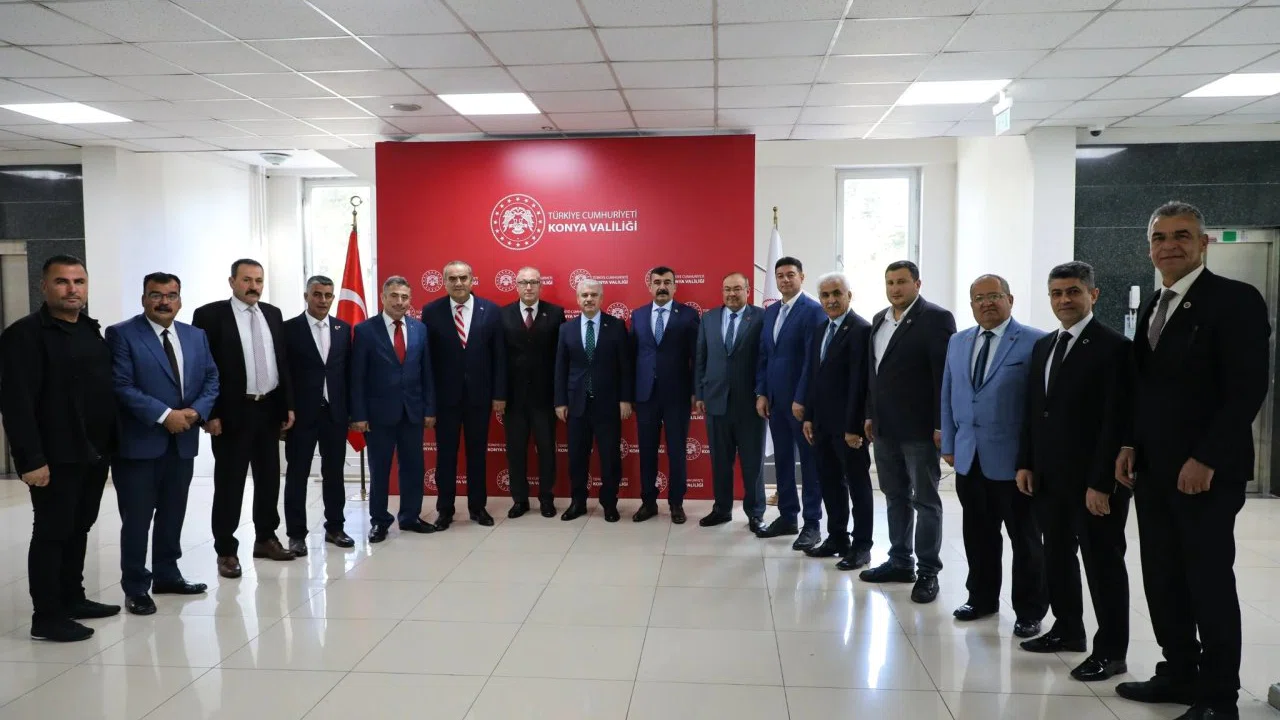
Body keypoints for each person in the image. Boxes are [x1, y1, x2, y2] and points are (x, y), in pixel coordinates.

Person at [1114, 201, 1271, 720]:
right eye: (1160, 238)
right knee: (1162, 577)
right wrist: (1129, 444)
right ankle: (1179, 672)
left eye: (1182, 235)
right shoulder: (1154, 305)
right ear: (1150, 249)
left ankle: (1218, 697)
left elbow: (1246, 389)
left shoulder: (1235, 300)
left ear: (1203, 243)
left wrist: (1206, 457)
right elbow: (1145, 389)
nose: (1170, 245)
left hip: (1206, 473)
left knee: (1207, 582)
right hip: (1154, 470)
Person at [1015, 261, 1132, 682]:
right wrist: (1026, 462)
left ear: (1093, 294)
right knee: (1057, 556)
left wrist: (1101, 483)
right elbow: (1035, 411)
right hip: (1049, 478)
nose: (1064, 300)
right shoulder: (1045, 345)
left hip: (1093, 482)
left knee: (1102, 564)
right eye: (1057, 293)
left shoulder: (1114, 347)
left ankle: (1111, 651)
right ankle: (1067, 629)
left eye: (1073, 291)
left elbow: (1116, 421)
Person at [0, 255, 120, 642]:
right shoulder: (24, 335)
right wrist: (30, 460)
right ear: (44, 286)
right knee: (52, 532)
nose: (72, 289)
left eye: (78, 282)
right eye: (62, 281)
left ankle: (72, 598)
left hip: (93, 452)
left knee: (79, 526)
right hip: (54, 456)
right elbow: (16, 403)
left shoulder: (89, 329)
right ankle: (47, 616)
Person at [940, 274, 1047, 640]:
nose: (986, 303)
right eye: (979, 298)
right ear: (971, 304)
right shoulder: (958, 341)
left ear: (1010, 300)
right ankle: (981, 598)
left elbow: (1039, 407)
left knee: (1025, 539)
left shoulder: (1035, 341)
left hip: (1015, 463)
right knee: (978, 534)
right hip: (970, 457)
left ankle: (1029, 610)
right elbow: (949, 393)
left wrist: (1031, 458)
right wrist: (949, 443)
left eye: (994, 296)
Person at [107, 272, 220, 615]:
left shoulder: (195, 335)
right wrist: (164, 415)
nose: (164, 302)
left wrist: (196, 412)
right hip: (139, 444)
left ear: (180, 300)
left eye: (171, 295)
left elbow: (212, 378)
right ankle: (136, 587)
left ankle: (168, 575)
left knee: (173, 513)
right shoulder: (122, 334)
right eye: (156, 295)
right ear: (144, 299)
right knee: (137, 519)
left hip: (182, 442)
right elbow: (121, 385)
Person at [192, 259, 296, 578]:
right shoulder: (210, 316)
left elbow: (281, 362)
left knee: (269, 479)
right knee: (230, 483)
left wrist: (287, 406)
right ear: (232, 281)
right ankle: (226, 550)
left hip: (268, 409)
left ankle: (265, 538)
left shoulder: (273, 314)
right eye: (247, 280)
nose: (254, 286)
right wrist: (209, 414)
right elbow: (201, 368)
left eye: (258, 280)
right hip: (231, 413)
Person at [859, 260, 955, 605]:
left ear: (917, 283)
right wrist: (869, 414)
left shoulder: (936, 318)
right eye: (890, 282)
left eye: (901, 282)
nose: (895, 288)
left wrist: (942, 424)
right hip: (884, 427)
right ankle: (900, 561)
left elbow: (943, 375)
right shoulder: (879, 320)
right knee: (894, 494)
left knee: (925, 501)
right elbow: (874, 372)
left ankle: (928, 571)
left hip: (919, 430)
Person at [350, 276, 437, 543]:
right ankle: (379, 521)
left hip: (412, 411)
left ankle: (410, 517)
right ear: (383, 298)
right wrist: (359, 415)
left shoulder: (419, 329)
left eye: (404, 297)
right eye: (394, 296)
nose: (400, 302)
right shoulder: (365, 330)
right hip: (378, 415)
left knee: (413, 467)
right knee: (380, 470)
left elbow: (427, 372)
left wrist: (429, 409)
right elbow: (357, 376)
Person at [421, 261, 507, 529]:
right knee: (446, 455)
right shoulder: (431, 311)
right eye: (452, 278)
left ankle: (477, 508)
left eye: (463, 278)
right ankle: (445, 509)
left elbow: (499, 356)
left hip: (479, 398)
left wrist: (499, 394)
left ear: (472, 280)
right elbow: (427, 361)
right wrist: (429, 401)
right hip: (445, 400)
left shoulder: (490, 310)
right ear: (444, 281)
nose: (458, 283)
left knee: (477, 454)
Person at [799, 273, 874, 570]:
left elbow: (860, 382)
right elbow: (814, 377)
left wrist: (853, 427)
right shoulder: (820, 329)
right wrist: (809, 416)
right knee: (830, 483)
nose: (831, 300)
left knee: (858, 486)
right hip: (822, 425)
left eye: (836, 293)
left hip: (849, 429)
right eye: (825, 295)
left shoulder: (861, 330)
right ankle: (837, 538)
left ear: (849, 295)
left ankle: (862, 545)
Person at [754, 257, 826, 549]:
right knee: (782, 460)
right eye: (780, 275)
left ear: (802, 277)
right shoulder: (771, 311)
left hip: (800, 404)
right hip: (775, 402)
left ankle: (812, 524)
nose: (785, 280)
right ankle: (787, 516)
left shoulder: (813, 311)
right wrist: (761, 392)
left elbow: (812, 360)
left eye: (790, 275)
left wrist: (801, 398)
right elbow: (764, 355)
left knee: (809, 464)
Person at [282, 276, 354, 553]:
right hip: (301, 415)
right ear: (306, 296)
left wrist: (351, 411)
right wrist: (285, 410)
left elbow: (346, 372)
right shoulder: (288, 329)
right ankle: (296, 534)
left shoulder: (342, 329)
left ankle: (335, 528)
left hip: (334, 413)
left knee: (334, 473)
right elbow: (284, 374)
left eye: (327, 295)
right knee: (297, 474)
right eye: (317, 294)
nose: (323, 300)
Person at [555, 279, 634, 522]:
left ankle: (609, 503)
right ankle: (578, 502)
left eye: (593, 295)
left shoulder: (616, 325)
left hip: (608, 404)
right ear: (578, 299)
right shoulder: (566, 329)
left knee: (610, 457)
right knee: (577, 457)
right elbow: (560, 368)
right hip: (576, 404)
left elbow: (625, 366)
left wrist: (625, 399)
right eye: (584, 295)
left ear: (601, 298)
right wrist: (560, 401)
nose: (589, 299)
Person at [694, 272, 767, 531]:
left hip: (751, 404)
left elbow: (765, 358)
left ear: (748, 290)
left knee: (752, 463)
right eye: (727, 289)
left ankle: (755, 513)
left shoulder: (762, 317)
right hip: (716, 401)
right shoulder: (709, 318)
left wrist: (762, 393)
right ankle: (722, 509)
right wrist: (700, 394)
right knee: (720, 461)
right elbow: (701, 358)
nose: (732, 294)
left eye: (737, 288)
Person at [630, 266, 699, 524]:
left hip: (677, 395)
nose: (662, 286)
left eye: (667, 282)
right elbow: (631, 357)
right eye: (657, 282)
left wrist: (695, 391)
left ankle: (676, 503)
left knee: (677, 451)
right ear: (649, 286)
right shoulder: (638, 315)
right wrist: (630, 394)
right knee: (647, 450)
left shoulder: (688, 315)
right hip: (645, 395)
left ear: (675, 286)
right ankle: (648, 502)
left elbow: (697, 357)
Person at [500, 266, 565, 519]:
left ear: (540, 285)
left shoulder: (556, 313)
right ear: (516, 285)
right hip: (513, 399)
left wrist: (560, 397)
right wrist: (499, 395)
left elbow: (561, 358)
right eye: (524, 282)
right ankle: (520, 500)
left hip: (545, 397)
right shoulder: (503, 314)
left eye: (534, 282)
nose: (529, 287)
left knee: (547, 450)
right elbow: (498, 358)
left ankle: (546, 498)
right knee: (515, 451)